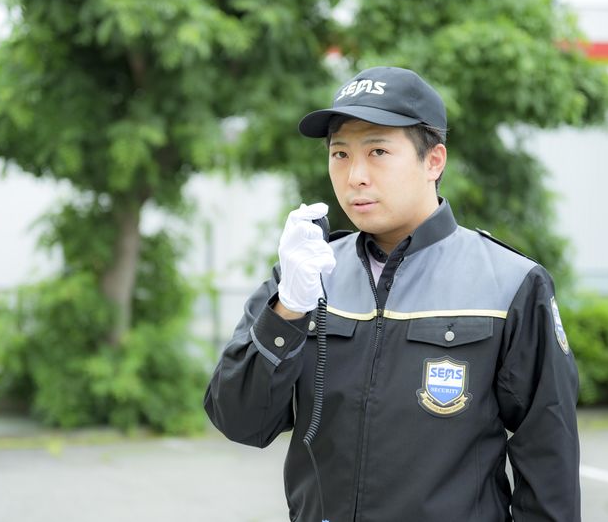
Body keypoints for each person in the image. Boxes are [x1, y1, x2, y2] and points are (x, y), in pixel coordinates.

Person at [204, 66, 580, 522]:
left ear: (433, 161)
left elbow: (549, 459)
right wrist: (288, 310)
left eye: (378, 151)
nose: (355, 176)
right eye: (340, 154)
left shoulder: (510, 282)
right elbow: (240, 422)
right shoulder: (305, 273)